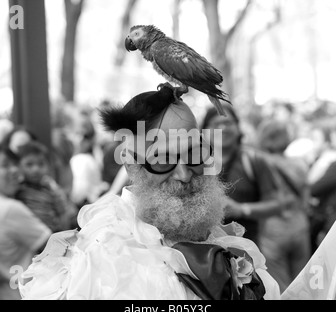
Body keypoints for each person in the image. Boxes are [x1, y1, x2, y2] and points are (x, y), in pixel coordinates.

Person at [19, 86, 280, 300]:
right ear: (132, 166)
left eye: (194, 154)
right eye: (163, 160)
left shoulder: (223, 240)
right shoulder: (104, 256)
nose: (184, 174)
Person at [201, 107, 293, 247]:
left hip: (246, 252)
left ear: (238, 127)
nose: (223, 128)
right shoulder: (194, 163)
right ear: (205, 130)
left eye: (228, 123)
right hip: (203, 251)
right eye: (216, 123)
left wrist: (242, 209)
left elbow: (277, 204)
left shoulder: (254, 160)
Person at [256, 119, 311, 293]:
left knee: (280, 287)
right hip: (299, 226)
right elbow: (306, 199)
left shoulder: (261, 164)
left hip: (273, 231)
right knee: (303, 284)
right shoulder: (299, 164)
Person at [0, 146, 51, 300]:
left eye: (15, 164)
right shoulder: (10, 209)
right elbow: (53, 244)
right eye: (5, 165)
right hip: (23, 292)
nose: (15, 170)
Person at [15, 141, 71, 233]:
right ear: (19, 166)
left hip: (51, 233)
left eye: (41, 164)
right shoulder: (18, 187)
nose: (36, 169)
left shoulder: (50, 186)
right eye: (29, 164)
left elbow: (62, 212)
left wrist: (63, 234)